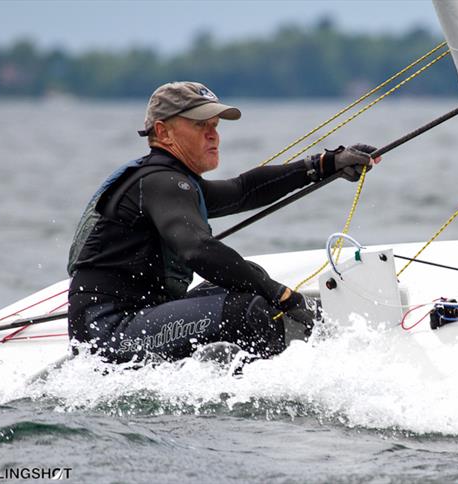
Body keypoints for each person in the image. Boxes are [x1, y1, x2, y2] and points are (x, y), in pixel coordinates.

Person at [67, 81, 378, 364]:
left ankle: (336, 352)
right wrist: (281, 294)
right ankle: (292, 390)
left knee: (248, 282)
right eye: (201, 125)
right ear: (163, 133)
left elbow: (244, 190)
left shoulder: (172, 182)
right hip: (108, 332)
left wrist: (325, 164)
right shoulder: (162, 183)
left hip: (137, 319)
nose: (213, 134)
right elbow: (198, 249)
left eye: (214, 126)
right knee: (246, 311)